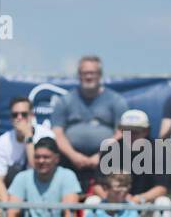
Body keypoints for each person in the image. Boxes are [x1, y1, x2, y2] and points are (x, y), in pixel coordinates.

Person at [51, 55, 127, 189]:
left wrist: (101, 155)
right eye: (84, 73)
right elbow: (57, 133)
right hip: (69, 159)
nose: (88, 77)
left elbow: (122, 133)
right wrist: (74, 156)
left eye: (92, 73)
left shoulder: (116, 101)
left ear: (100, 75)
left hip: (106, 159)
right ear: (78, 75)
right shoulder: (65, 101)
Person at [0, 96, 53, 189]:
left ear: (32, 116)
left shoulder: (46, 135)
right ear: (10, 118)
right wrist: (7, 203)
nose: (19, 118)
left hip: (42, 187)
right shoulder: (2, 142)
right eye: (15, 115)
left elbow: (37, 168)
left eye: (24, 114)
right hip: (14, 191)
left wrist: (28, 136)